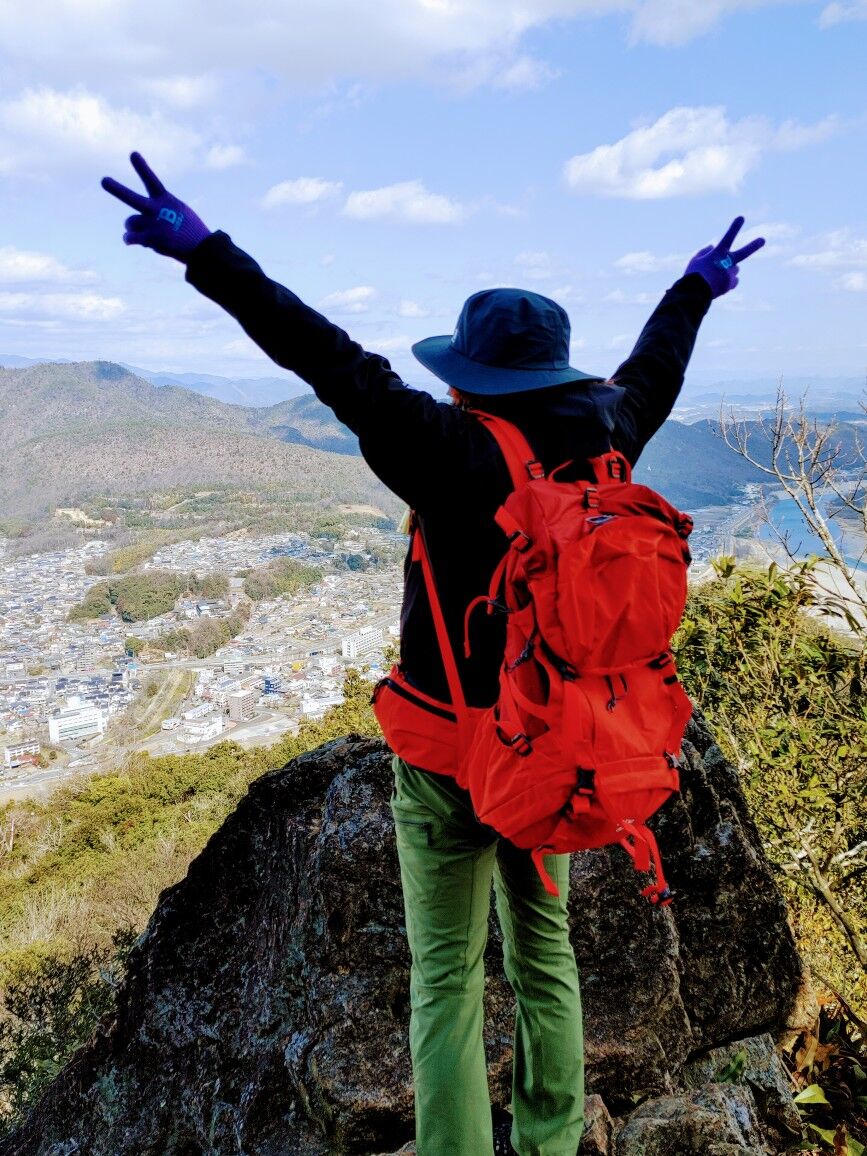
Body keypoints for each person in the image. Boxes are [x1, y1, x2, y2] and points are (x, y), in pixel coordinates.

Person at [102, 153, 765, 1156]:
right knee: (545, 955)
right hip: (556, 741)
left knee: (445, 977)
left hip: (449, 757)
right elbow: (655, 366)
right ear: (558, 369)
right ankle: (548, 1141)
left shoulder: (446, 448)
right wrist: (695, 286)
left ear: (469, 375)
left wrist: (205, 251)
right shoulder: (609, 435)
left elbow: (328, 358)